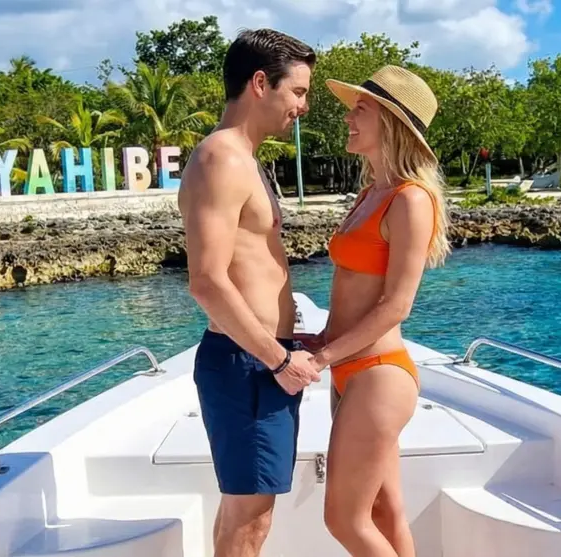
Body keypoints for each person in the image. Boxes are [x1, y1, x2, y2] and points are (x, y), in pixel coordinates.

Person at [177, 28, 318, 557]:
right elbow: (207, 280)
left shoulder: (243, 157)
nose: (302, 107)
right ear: (261, 83)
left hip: (259, 360)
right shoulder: (222, 158)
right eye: (298, 92)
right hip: (249, 363)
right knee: (249, 517)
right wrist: (279, 358)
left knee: (250, 511)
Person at [308, 65, 451, 557]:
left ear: (390, 122)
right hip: (349, 371)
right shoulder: (370, 194)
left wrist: (323, 357)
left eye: (360, 110)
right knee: (384, 511)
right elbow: (351, 291)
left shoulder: (411, 200)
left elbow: (396, 305)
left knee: (344, 520)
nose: (348, 117)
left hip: (378, 374)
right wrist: (320, 342)